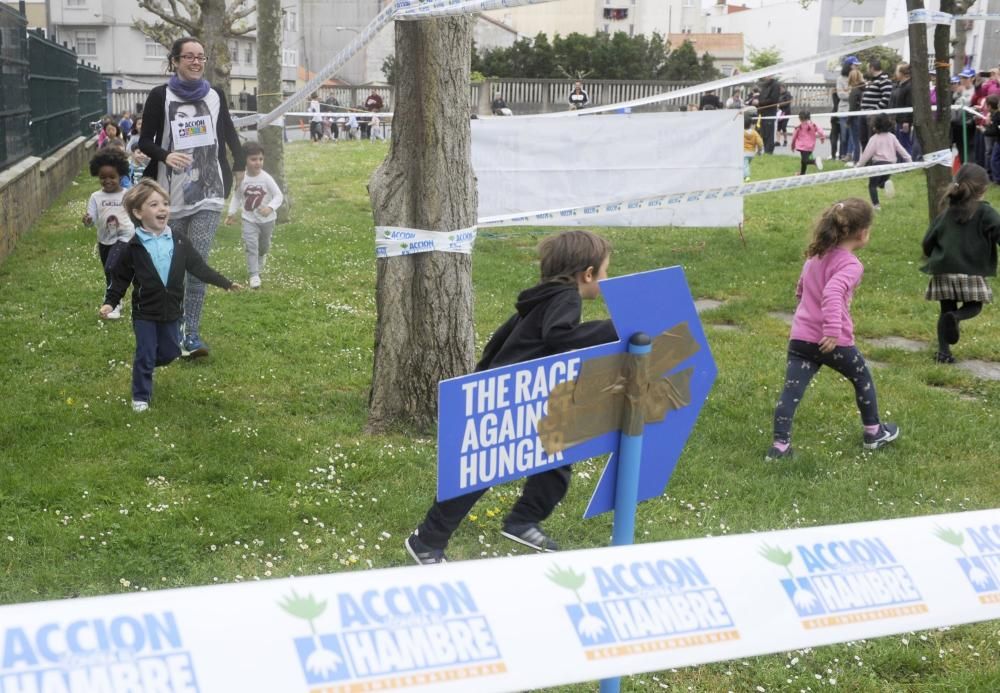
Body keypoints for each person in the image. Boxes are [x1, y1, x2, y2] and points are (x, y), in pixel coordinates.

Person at [405, 230, 618, 564]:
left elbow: (505, 336)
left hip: (524, 393)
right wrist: (613, 328)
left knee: (549, 458)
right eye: (605, 272)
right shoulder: (566, 297)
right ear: (587, 274)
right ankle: (436, 539)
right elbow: (560, 337)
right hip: (514, 395)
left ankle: (513, 523)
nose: (605, 280)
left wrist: (483, 373)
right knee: (491, 469)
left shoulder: (541, 296)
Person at [765, 198, 899, 461]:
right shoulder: (851, 264)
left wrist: (803, 298)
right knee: (862, 379)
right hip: (834, 342)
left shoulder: (816, 255)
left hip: (802, 340)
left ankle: (779, 448)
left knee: (791, 392)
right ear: (862, 233)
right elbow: (833, 291)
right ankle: (873, 432)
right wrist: (832, 330)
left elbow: (802, 287)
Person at [138, 36, 244, 359]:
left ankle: (191, 336)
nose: (196, 62)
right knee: (171, 267)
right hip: (169, 194)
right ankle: (168, 327)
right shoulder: (160, 96)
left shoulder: (215, 95)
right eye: (189, 57)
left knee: (196, 262)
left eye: (201, 57)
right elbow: (145, 142)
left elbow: (227, 132)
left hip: (209, 191)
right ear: (175, 61)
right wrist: (166, 156)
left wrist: (240, 167)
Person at [101, 180, 240, 412]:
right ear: (138, 212)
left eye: (165, 203)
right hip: (145, 311)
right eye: (154, 204)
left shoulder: (179, 240)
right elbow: (120, 279)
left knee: (171, 352)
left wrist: (225, 283)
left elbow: (199, 267)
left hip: (172, 311)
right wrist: (110, 302)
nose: (163, 208)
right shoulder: (132, 248)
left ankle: (143, 365)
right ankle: (141, 396)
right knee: (146, 351)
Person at [920, 164, 1000, 364]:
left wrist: (934, 256)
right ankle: (956, 318)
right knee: (974, 306)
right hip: (970, 270)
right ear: (983, 189)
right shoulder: (985, 212)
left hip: (943, 269)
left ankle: (943, 352)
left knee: (945, 309)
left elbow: (927, 241)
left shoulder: (946, 213)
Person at [83, 149, 136, 320]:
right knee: (109, 273)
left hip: (124, 237)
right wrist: (88, 220)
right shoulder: (95, 197)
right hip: (104, 240)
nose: (107, 181)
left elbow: (137, 213)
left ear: (120, 174)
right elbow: (91, 220)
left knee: (112, 267)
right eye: (102, 177)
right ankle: (115, 302)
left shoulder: (127, 194)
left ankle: (111, 303)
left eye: (111, 177)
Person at [225, 142, 283, 289]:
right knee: (251, 246)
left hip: (267, 220)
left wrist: (270, 208)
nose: (258, 162)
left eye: (260, 159)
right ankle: (254, 275)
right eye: (253, 159)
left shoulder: (266, 178)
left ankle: (261, 257)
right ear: (245, 160)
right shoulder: (242, 179)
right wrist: (231, 213)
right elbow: (237, 197)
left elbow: (278, 196)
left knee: (263, 247)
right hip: (249, 219)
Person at [858, 113, 911, 210]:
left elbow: (867, 154)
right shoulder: (892, 137)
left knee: (872, 185)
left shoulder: (874, 139)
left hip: (877, 165)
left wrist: (859, 166)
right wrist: (909, 160)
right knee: (881, 183)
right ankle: (887, 181)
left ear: (875, 126)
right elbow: (901, 149)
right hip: (890, 165)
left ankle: (876, 205)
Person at [860, 58, 893, 151]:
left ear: (872, 68)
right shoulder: (872, 80)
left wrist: (874, 111)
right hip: (864, 114)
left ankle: (872, 161)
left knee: (872, 140)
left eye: (868, 68)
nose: (867, 71)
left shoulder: (884, 80)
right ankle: (865, 161)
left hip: (873, 115)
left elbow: (886, 98)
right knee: (863, 139)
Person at [889, 63, 914, 158]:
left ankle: (908, 163)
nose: (896, 73)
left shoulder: (909, 87)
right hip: (898, 119)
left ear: (903, 73)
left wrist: (906, 121)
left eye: (897, 71)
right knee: (899, 143)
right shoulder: (901, 86)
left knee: (905, 143)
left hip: (904, 120)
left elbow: (908, 105)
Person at [790, 110, 826, 175]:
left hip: (802, 147)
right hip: (810, 146)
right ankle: (802, 173)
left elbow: (794, 137)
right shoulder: (813, 125)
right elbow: (820, 131)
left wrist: (792, 146)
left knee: (805, 160)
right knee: (803, 161)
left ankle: (815, 161)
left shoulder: (799, 126)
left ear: (800, 118)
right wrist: (822, 138)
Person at [845, 66, 866, 166]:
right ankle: (860, 159)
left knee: (855, 140)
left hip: (855, 118)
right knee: (860, 139)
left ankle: (856, 160)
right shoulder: (862, 89)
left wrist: (848, 121)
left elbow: (852, 108)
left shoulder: (854, 91)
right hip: (862, 116)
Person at [757, 76, 782, 153]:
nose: (764, 77)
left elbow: (773, 100)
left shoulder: (775, 85)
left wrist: (760, 103)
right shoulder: (764, 85)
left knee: (769, 133)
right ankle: (765, 150)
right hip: (762, 112)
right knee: (763, 132)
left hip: (770, 112)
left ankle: (769, 151)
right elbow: (761, 97)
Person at [743, 113, 764, 182]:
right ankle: (743, 174)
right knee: (746, 164)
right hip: (752, 153)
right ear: (751, 124)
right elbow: (760, 142)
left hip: (744, 152)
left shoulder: (741, 132)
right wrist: (759, 150)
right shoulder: (754, 133)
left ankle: (747, 176)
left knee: (745, 165)